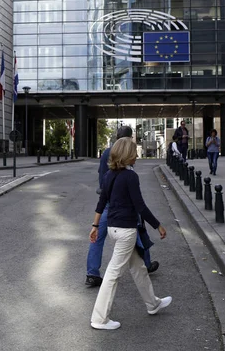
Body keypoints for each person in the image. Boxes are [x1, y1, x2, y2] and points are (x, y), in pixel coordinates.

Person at [89, 138, 172, 330]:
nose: (137, 155)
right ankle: (99, 319)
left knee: (138, 267)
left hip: (113, 230)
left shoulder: (109, 175)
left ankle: (153, 304)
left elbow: (102, 202)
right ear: (127, 154)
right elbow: (140, 206)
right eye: (134, 152)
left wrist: (95, 225)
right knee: (113, 274)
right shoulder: (131, 177)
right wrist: (158, 225)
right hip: (126, 231)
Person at [86, 127, 160, 288]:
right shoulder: (124, 154)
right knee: (138, 231)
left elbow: (101, 173)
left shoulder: (107, 152)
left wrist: (94, 224)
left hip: (106, 200)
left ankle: (92, 273)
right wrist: (157, 225)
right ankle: (146, 264)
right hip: (122, 204)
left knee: (97, 237)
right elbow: (138, 203)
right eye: (131, 138)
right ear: (126, 138)